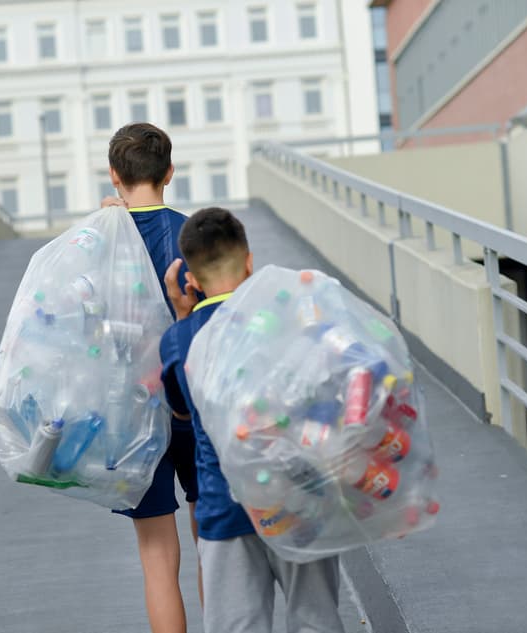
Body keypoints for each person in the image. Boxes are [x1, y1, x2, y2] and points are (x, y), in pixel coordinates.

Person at [160, 207, 346, 633]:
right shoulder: (290, 320)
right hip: (300, 498)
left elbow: (182, 410)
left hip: (225, 508)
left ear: (190, 277)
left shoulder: (182, 339)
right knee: (317, 622)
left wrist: (183, 318)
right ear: (249, 261)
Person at [100, 122, 201, 633]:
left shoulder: (97, 242)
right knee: (216, 548)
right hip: (195, 406)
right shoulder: (193, 236)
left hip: (134, 420)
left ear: (114, 175)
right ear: (169, 173)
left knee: (158, 561)